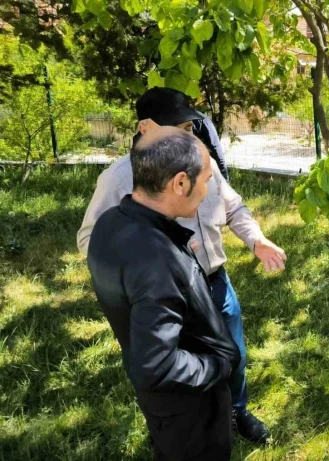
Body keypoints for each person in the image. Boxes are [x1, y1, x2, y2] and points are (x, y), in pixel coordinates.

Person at [78, 89, 287, 443]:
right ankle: (188, 430)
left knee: (232, 354)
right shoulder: (117, 179)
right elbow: (92, 239)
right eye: (183, 128)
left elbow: (234, 207)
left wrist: (257, 240)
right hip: (171, 292)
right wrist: (150, 263)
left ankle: (236, 411)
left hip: (215, 282)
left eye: (191, 128)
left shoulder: (197, 160)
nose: (191, 137)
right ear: (147, 128)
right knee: (187, 368)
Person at [87, 127, 240, 460]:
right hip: (190, 410)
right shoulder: (155, 259)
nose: (209, 187)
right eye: (206, 179)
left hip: (163, 409)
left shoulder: (112, 222)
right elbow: (156, 366)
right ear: (180, 183)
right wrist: (218, 366)